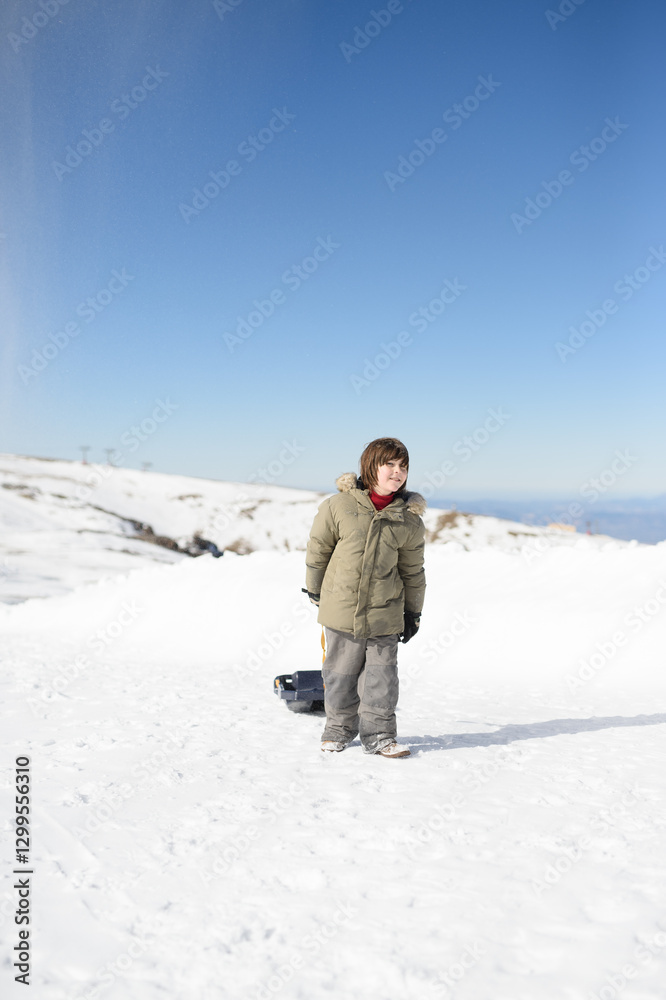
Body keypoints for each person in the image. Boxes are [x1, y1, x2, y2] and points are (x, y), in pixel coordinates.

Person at [304, 437, 426, 758]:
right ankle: (338, 729)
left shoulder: (408, 520)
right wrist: (315, 589)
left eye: (403, 467)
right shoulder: (339, 506)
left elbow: (413, 572)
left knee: (381, 677)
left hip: (385, 613)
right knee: (340, 673)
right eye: (390, 465)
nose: (397, 472)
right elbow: (319, 549)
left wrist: (413, 613)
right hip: (342, 609)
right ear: (371, 466)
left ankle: (380, 735)